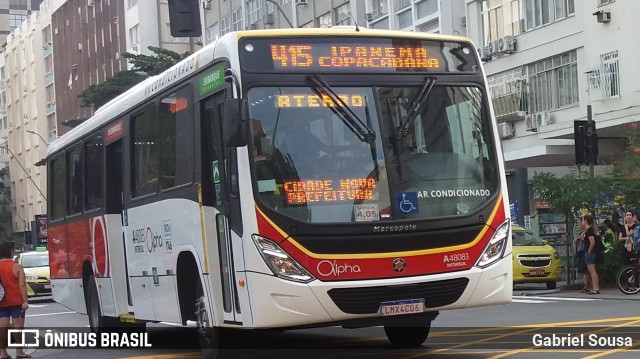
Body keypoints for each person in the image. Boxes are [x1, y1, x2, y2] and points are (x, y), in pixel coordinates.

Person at [0, 241, 30, 359]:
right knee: (18, 326)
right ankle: (19, 352)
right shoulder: (16, 266)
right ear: (11, 252)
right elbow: (22, 285)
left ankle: (3, 353)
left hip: (1, 302)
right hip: (16, 301)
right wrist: (25, 301)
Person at [582, 215, 601, 295]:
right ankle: (593, 287)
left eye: (583, 220)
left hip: (590, 253)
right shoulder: (588, 230)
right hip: (589, 252)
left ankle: (596, 288)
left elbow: (592, 242)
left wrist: (589, 251)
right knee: (591, 271)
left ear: (586, 221)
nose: (582, 222)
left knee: (592, 271)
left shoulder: (590, 230)